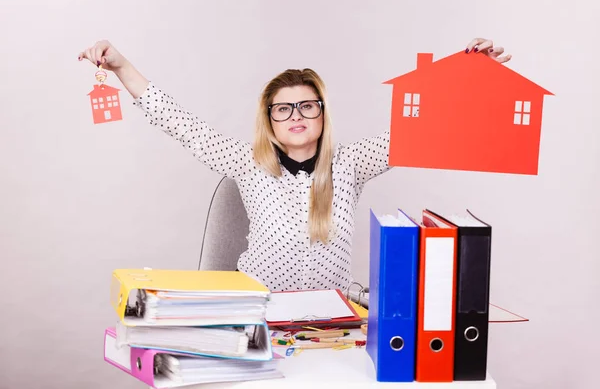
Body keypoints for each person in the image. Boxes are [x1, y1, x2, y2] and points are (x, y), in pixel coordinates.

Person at [78, 38, 512, 292]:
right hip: (257, 312)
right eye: (283, 110)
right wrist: (120, 66)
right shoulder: (246, 162)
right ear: (268, 120)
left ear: (322, 114)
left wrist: (476, 76)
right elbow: (178, 122)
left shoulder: (352, 162)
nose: (297, 116)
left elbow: (420, 130)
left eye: (307, 105)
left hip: (333, 318)